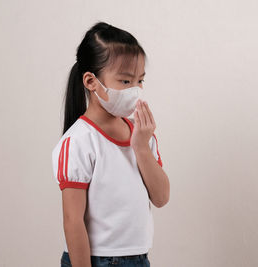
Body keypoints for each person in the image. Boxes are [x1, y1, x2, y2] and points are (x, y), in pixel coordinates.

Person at [51, 21, 170, 267]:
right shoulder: (79, 141)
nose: (135, 90)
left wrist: (140, 146)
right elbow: (73, 221)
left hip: (139, 258)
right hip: (97, 260)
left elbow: (160, 197)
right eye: (125, 82)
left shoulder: (141, 135)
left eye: (140, 81)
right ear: (91, 81)